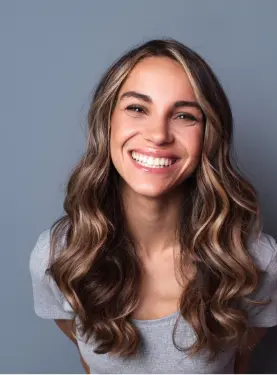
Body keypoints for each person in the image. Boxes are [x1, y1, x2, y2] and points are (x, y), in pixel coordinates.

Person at [29, 38, 277, 374]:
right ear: (107, 122)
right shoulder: (59, 257)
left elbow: (240, 367)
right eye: (137, 108)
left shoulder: (256, 263)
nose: (158, 134)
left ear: (209, 134)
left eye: (184, 115)